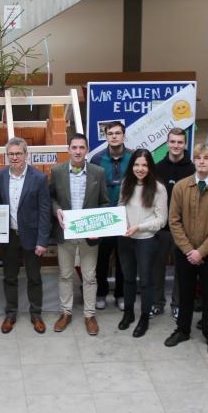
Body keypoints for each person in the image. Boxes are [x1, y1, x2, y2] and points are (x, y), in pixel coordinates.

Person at [165, 143, 208, 356]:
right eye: (198, 157)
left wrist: (201, 252)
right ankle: (182, 329)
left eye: (207, 158)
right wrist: (188, 250)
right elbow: (174, 220)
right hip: (185, 252)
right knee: (184, 293)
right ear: (194, 160)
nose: (202, 161)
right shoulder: (181, 187)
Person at [49, 134, 108, 335]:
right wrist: (56, 209)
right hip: (65, 232)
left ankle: (89, 315)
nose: (77, 151)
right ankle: (66, 312)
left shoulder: (97, 172)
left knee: (90, 277)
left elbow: (104, 202)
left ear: (87, 149)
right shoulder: (57, 172)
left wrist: (97, 228)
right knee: (65, 275)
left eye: (81, 147)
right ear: (68, 149)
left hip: (89, 235)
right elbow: (52, 198)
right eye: (74, 147)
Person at [0, 137, 52, 334]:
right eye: (11, 154)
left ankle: (36, 314)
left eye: (18, 153)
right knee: (9, 277)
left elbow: (45, 211)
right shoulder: (1, 175)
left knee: (34, 277)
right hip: (10, 237)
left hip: (32, 238)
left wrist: (42, 241)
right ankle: (11, 313)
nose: (14, 157)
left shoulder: (39, 178)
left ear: (26, 155)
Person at [117, 149, 168, 337]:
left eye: (144, 165)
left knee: (146, 281)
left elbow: (161, 220)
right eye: (137, 164)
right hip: (125, 240)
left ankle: (144, 318)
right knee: (128, 278)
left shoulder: (158, 188)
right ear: (132, 166)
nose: (140, 168)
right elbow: (121, 207)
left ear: (150, 167)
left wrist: (138, 227)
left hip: (146, 241)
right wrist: (122, 223)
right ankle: (128, 313)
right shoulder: (126, 184)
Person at [152, 128, 195, 318]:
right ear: (167, 143)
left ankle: (178, 303)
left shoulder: (193, 170)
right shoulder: (157, 168)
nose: (176, 145)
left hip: (184, 230)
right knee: (157, 267)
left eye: (180, 142)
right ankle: (157, 302)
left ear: (185, 144)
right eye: (173, 142)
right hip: (161, 228)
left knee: (181, 270)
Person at [91, 122, 131, 310]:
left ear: (124, 135)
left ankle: (121, 294)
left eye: (118, 133)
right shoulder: (97, 160)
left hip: (126, 218)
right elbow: (92, 191)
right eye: (110, 133)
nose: (114, 136)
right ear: (105, 136)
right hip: (104, 219)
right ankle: (101, 293)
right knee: (101, 259)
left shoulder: (132, 158)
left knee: (124, 259)